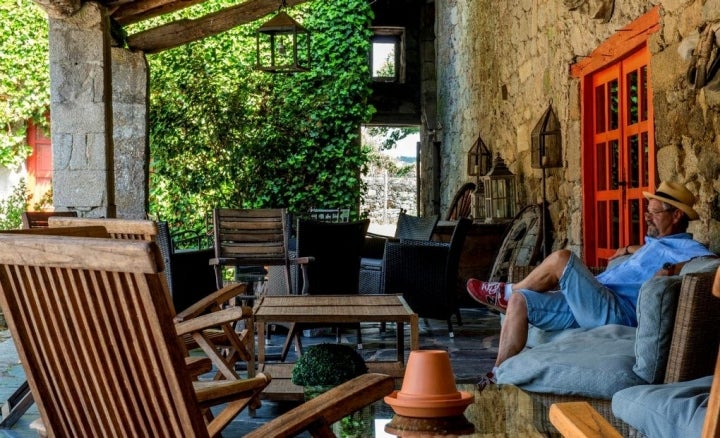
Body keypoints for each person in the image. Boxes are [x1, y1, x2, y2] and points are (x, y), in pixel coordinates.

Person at [466, 181, 716, 388]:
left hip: (616, 311)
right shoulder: (654, 244)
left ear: (677, 215)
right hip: (593, 302)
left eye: (654, 212)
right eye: (647, 210)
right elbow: (655, 250)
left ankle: (507, 291)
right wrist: (629, 248)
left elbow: (712, 264)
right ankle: (497, 373)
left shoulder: (690, 249)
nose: (647, 217)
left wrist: (671, 269)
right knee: (522, 302)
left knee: (563, 258)